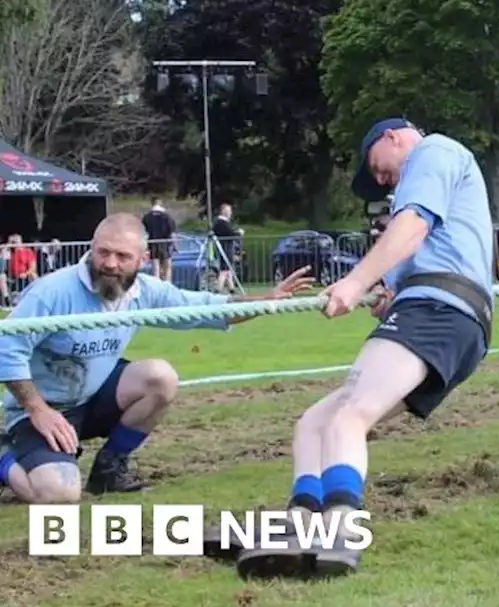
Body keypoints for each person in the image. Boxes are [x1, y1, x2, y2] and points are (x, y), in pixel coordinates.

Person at [233, 118, 494, 581]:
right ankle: (300, 525)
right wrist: (387, 289)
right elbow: (420, 248)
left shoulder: (433, 152)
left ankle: (339, 533)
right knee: (312, 423)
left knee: (347, 417)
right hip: (445, 315)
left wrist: (357, 281)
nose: (381, 181)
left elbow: (412, 225)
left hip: (438, 310)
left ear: (393, 138)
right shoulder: (436, 176)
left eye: (377, 167)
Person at [0, 214, 313, 505]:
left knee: (160, 378)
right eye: (103, 252)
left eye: (122, 256)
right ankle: (3, 457)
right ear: (91, 249)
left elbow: (204, 308)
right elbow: (7, 345)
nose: (110, 264)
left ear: (143, 259)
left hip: (92, 397)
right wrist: (37, 409)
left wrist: (265, 301)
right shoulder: (52, 291)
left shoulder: (145, 291)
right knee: (59, 494)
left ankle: (110, 468)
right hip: (39, 409)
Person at [141, 197, 177, 283]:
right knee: (167, 266)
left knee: (155, 268)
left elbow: (144, 233)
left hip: (152, 244)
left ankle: (156, 285)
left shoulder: (147, 217)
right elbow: (172, 233)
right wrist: (175, 245)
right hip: (165, 244)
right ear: (161, 204)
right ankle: (167, 284)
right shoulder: (167, 217)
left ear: (152, 204)